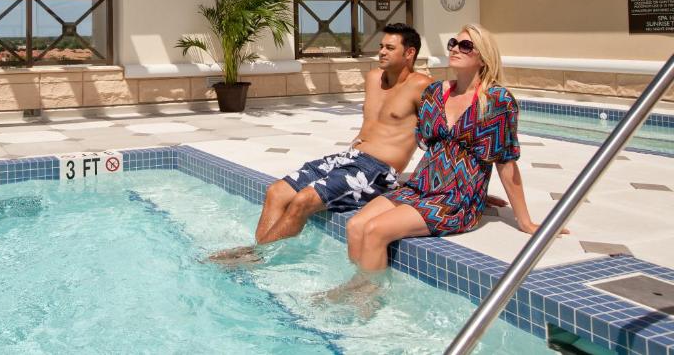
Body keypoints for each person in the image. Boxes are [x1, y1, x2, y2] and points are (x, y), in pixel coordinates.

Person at [209, 23, 432, 263]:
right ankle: (259, 252)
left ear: (409, 53)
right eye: (381, 46)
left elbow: (437, 134)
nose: (382, 52)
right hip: (350, 158)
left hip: (377, 171)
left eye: (390, 47)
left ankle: (255, 257)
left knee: (303, 200)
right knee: (276, 191)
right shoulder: (373, 77)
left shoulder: (422, 85)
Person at [342, 23, 545, 282]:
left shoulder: (497, 100)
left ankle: (364, 298)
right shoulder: (436, 93)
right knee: (355, 225)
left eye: (465, 45)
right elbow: (423, 142)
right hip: (421, 186)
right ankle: (358, 284)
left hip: (455, 198)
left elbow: (505, 163)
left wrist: (523, 220)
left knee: (375, 230)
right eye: (453, 43)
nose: (455, 49)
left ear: (483, 57)